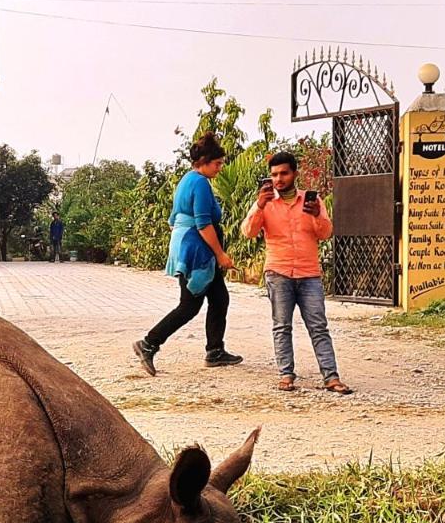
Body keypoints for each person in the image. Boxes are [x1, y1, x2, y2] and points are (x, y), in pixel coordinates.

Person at [242, 152, 352, 394]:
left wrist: (315, 216)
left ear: (294, 174)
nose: (278, 179)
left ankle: (331, 377)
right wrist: (260, 205)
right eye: (274, 174)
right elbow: (248, 232)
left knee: (318, 326)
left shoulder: (312, 201)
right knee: (282, 326)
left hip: (309, 273)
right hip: (278, 272)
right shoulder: (265, 201)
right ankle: (286, 375)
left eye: (284, 173)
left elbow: (325, 233)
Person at [133, 132, 242, 375]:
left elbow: (174, 220)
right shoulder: (200, 183)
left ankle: (215, 350)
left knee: (219, 298)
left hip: (188, 245)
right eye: (217, 163)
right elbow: (204, 224)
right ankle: (149, 343)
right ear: (203, 161)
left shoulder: (186, 180)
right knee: (189, 305)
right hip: (198, 250)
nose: (220, 168)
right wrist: (220, 254)